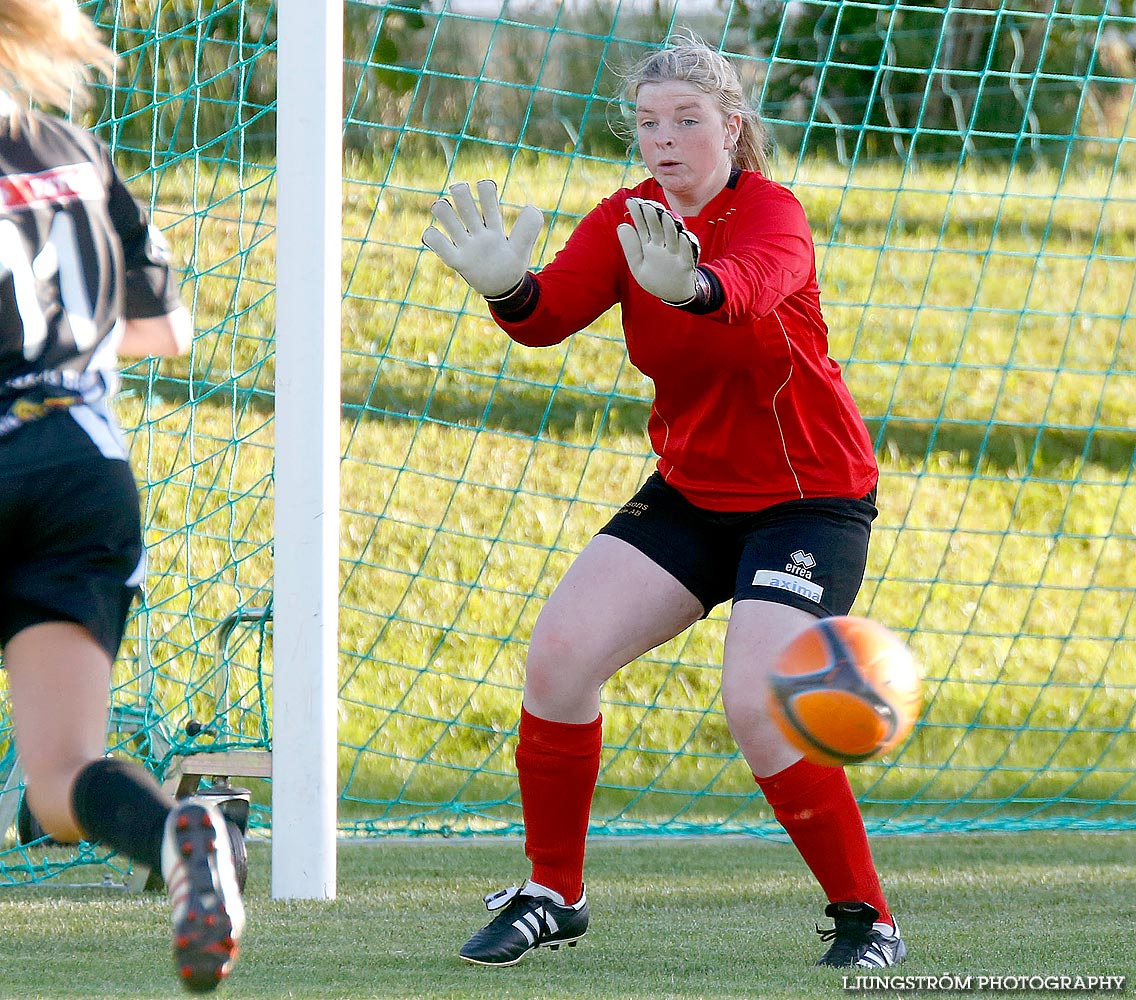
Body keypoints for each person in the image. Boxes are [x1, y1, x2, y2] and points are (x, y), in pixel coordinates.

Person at [422, 31, 906, 971]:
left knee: (759, 705)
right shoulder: (628, 215)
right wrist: (507, 288)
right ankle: (553, 892)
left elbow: (752, 288)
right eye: (649, 123)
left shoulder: (774, 212)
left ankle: (866, 918)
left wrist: (690, 285)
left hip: (809, 500)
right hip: (692, 494)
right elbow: (547, 316)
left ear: (731, 126)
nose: (666, 139)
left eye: (688, 120)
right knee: (559, 659)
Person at [0, 1, 244, 992]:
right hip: (79, 466)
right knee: (59, 777)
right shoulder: (73, 149)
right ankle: (176, 835)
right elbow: (167, 330)